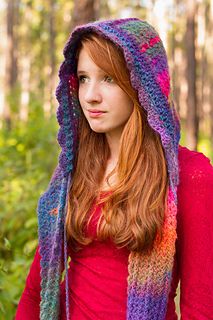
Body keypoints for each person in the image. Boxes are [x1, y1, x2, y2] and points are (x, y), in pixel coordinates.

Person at [16, 18, 213, 320]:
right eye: (83, 78)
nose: (91, 95)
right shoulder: (74, 169)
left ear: (141, 85)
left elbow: (201, 306)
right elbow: (36, 291)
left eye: (108, 78)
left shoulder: (189, 174)